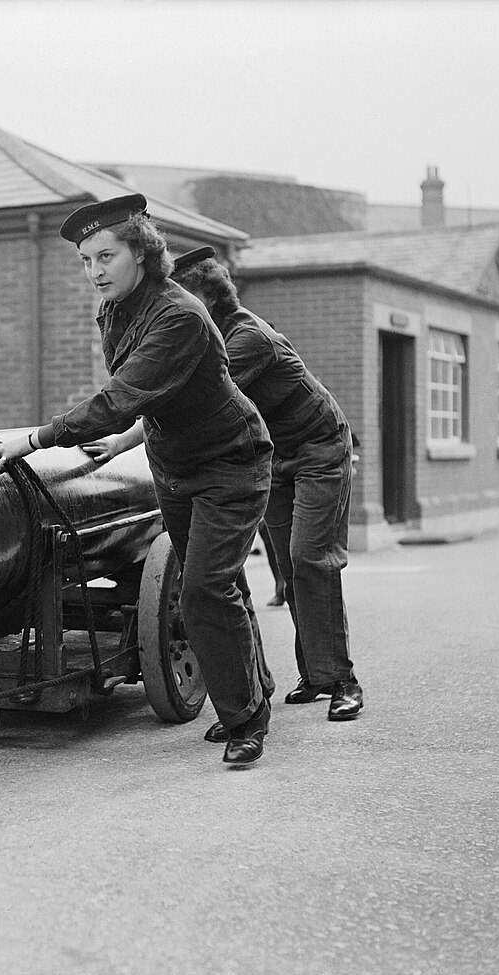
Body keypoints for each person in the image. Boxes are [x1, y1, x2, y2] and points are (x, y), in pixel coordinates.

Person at [0, 194, 275, 765]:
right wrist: (123, 440)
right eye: (85, 261)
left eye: (105, 256)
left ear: (141, 252)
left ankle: (245, 719)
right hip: (174, 463)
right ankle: (252, 692)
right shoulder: (117, 307)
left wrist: (34, 440)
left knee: (206, 588)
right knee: (219, 586)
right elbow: (147, 394)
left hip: (231, 462)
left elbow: (121, 395)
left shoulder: (179, 315)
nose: (94, 271)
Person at [172, 247, 361, 721]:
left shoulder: (247, 339)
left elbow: (195, 399)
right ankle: (315, 675)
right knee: (288, 564)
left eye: (185, 299)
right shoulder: (209, 341)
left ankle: (342, 680)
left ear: (210, 300)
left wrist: (120, 437)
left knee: (309, 558)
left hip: (320, 448)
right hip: (275, 457)